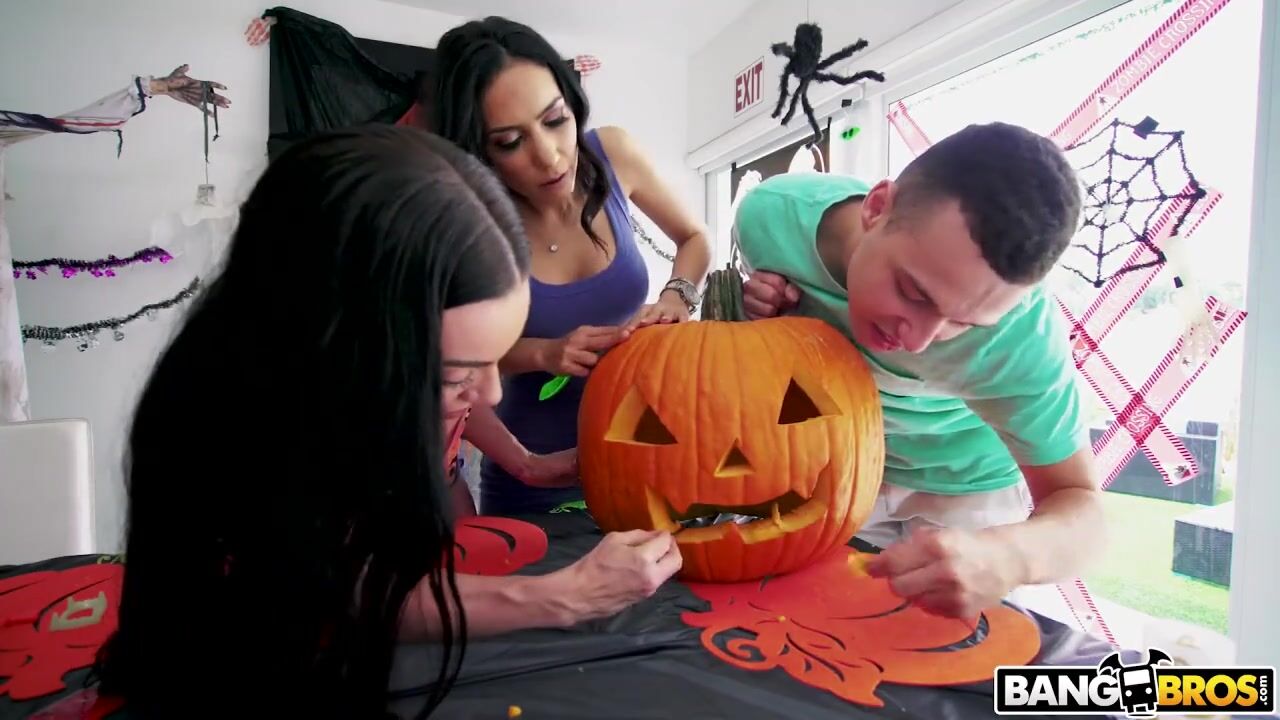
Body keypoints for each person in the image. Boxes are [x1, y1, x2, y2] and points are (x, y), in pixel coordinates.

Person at [94, 126, 682, 718]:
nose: (492, 392)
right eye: (456, 375)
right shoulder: (245, 439)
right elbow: (355, 592)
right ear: (339, 356)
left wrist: (523, 462)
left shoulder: (361, 386)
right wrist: (566, 595)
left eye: (494, 358)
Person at [734, 122, 1106, 619]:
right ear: (875, 208)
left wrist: (1009, 557)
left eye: (964, 324)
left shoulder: (1023, 340)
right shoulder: (769, 217)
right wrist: (765, 315)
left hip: (972, 494)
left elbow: (1082, 507)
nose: (919, 341)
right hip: (847, 467)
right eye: (914, 293)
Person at [432, 16, 713, 516]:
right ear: (479, 151)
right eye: (510, 142)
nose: (550, 156)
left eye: (555, 120)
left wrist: (677, 296)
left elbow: (694, 238)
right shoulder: (465, 224)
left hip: (651, 462)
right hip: (533, 477)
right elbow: (451, 366)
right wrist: (545, 353)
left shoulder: (613, 154)